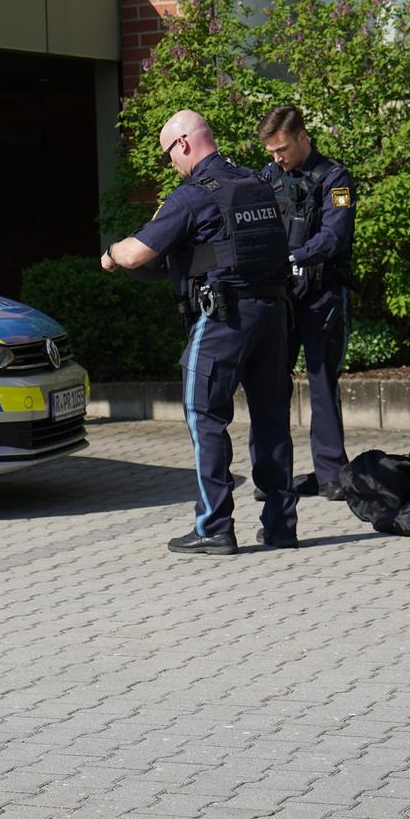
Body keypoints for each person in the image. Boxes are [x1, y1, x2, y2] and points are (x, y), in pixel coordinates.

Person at [102, 110, 297, 555]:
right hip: (273, 314)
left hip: (224, 317)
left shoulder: (193, 196)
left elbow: (136, 254)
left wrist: (111, 254)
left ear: (184, 144)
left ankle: (213, 527)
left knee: (204, 415)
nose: (170, 162)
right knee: (271, 420)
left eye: (168, 153)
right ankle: (282, 525)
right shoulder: (257, 184)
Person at [258, 105, 356, 499]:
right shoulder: (268, 176)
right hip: (280, 296)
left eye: (282, 148)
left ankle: (332, 475)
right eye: (271, 152)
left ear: (302, 137)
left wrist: (294, 256)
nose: (277, 157)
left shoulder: (335, 177)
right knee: (270, 386)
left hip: (321, 296)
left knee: (321, 384)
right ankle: (272, 476)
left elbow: (335, 237)